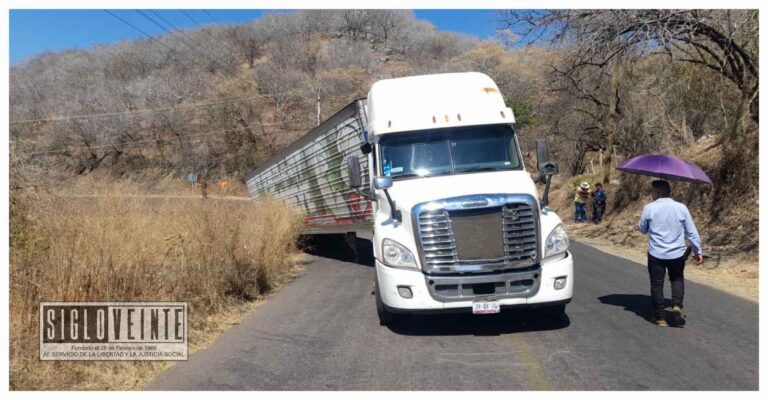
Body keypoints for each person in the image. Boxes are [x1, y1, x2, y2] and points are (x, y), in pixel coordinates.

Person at [638, 180, 703, 327]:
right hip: (677, 254)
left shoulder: (649, 208)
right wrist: (698, 251)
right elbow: (691, 232)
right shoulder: (681, 208)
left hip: (656, 254)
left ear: (658, 192)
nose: (651, 195)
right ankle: (676, 307)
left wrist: (649, 224)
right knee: (677, 279)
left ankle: (660, 318)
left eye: (653, 192)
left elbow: (642, 229)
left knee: (656, 285)